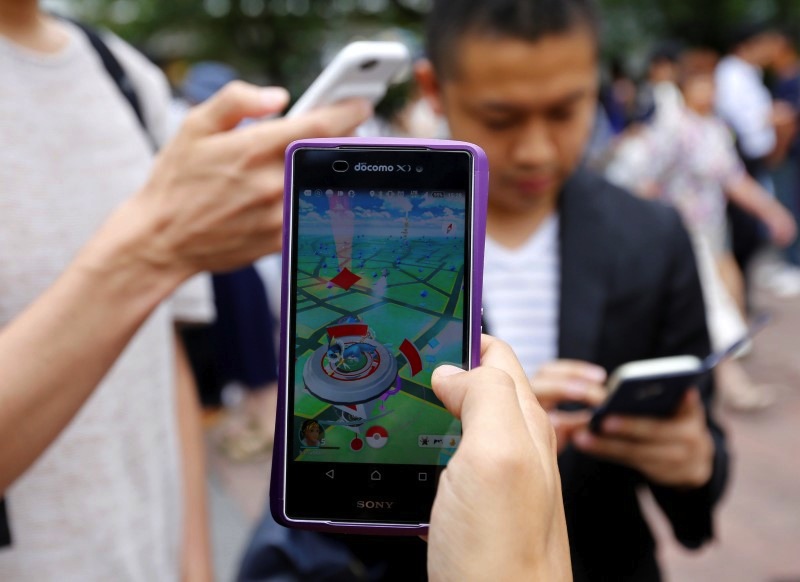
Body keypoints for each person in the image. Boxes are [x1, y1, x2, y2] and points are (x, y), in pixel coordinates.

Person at [0, 2, 372, 579]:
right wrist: (152, 249)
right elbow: (151, 269)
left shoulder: (122, 74)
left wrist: (195, 567)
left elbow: (159, 355)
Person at [413, 0, 728, 579]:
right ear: (434, 87)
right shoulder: (386, 243)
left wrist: (694, 461)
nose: (536, 149)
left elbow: (700, 463)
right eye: (501, 118)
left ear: (596, 80)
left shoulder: (652, 235)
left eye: (565, 111)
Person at [605, 69, 797, 409]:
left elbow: (733, 179)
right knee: (714, 308)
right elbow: (642, 176)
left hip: (713, 232)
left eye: (711, 84)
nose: (708, 90)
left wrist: (773, 212)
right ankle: (732, 383)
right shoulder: (674, 129)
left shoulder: (715, 129)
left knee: (730, 295)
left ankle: (720, 369)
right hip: (683, 236)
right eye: (701, 83)